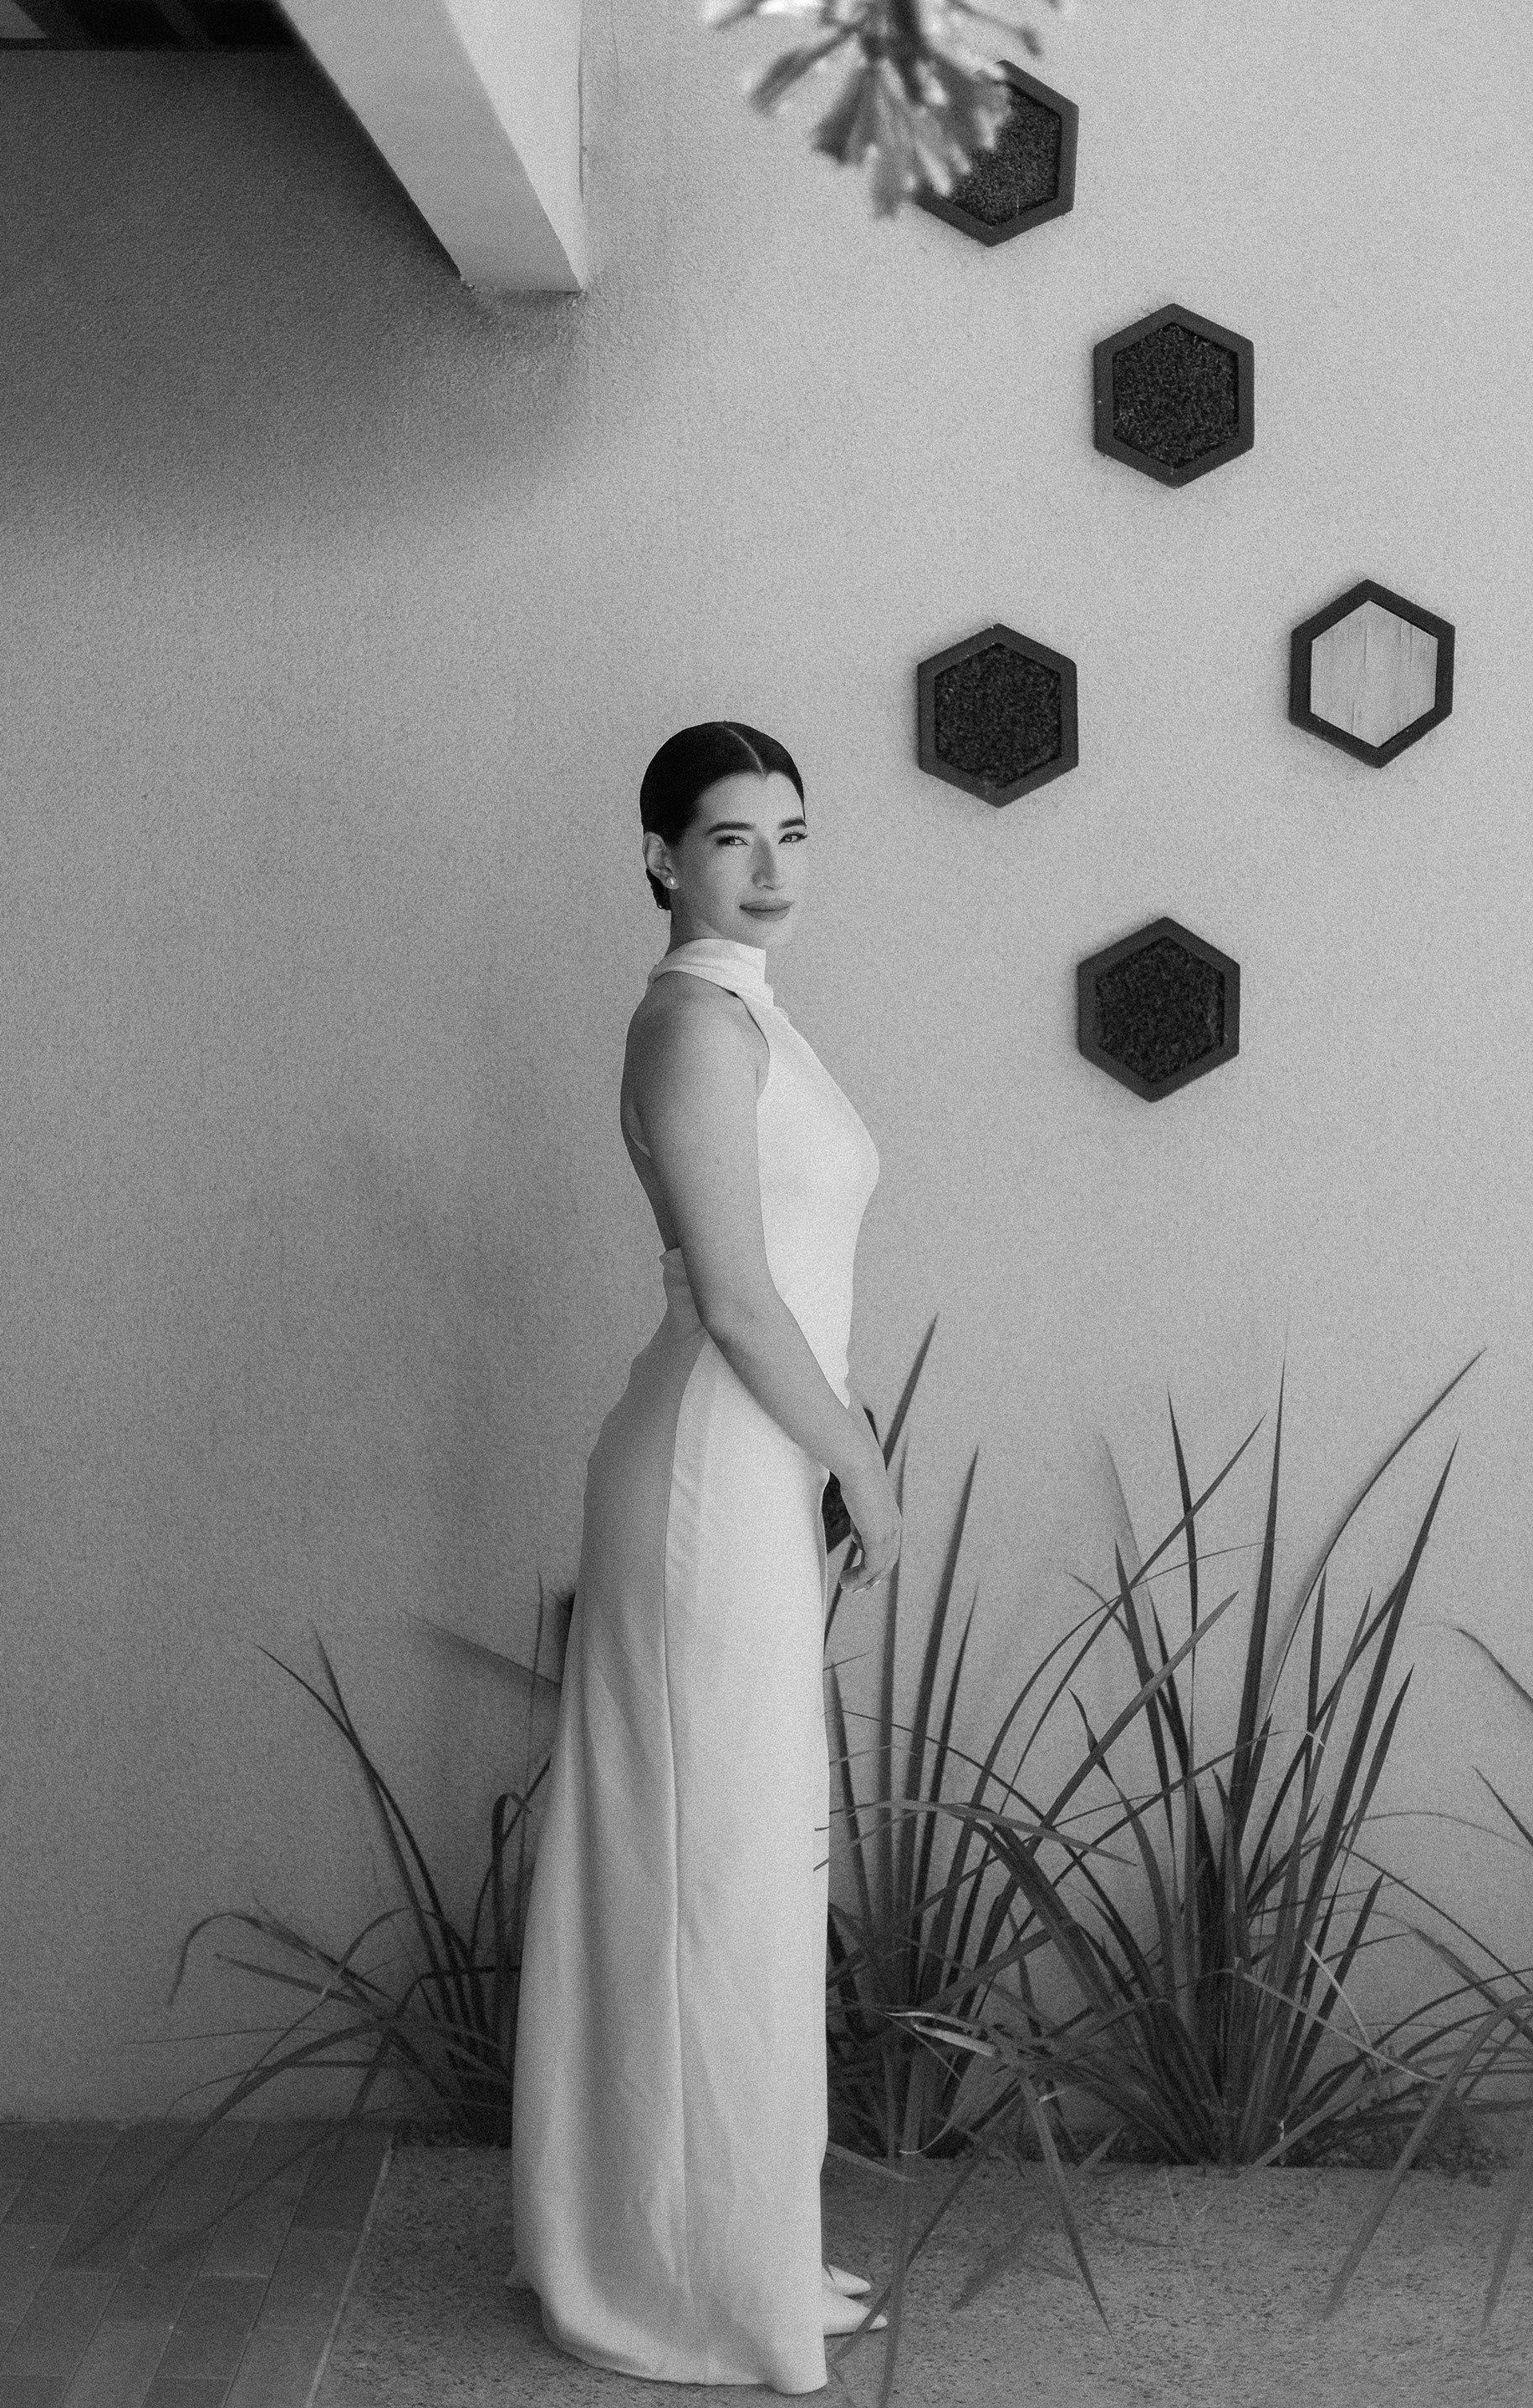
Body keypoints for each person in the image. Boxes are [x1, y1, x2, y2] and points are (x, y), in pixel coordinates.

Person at [509, 721, 903, 2391]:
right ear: (664, 856)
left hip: (755, 1462)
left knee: (746, 1866)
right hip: (710, 1470)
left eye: (792, 833)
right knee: (705, 1865)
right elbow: (739, 1298)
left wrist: (821, 1458)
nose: (770, 866)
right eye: (734, 837)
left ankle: (735, 2245)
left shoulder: (752, 1011)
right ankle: (673, 2276)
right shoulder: (687, 1021)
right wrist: (862, 1459)